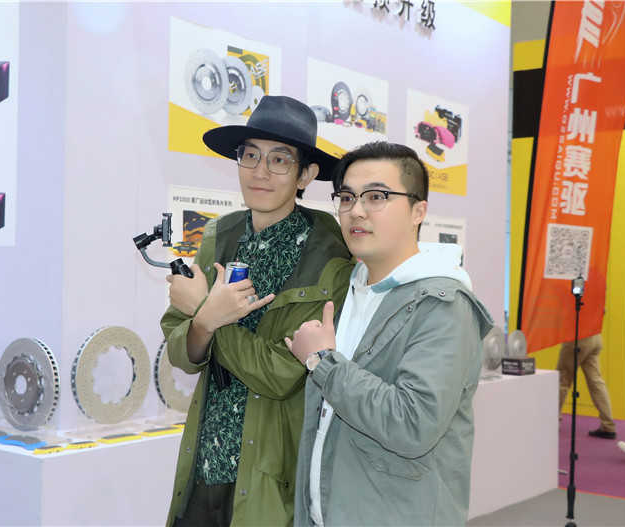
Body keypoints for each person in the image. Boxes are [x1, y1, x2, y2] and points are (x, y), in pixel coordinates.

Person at [160, 95, 354, 527]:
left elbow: (282, 373)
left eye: (279, 160)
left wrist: (207, 316)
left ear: (306, 174)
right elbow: (180, 351)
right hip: (204, 460)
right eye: (250, 155)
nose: (260, 172)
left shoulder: (331, 255)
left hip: (269, 474)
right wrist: (202, 323)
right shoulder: (219, 235)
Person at [285, 141, 493, 526]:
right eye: (346, 197)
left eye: (376, 196)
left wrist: (323, 362)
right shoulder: (350, 289)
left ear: (418, 211)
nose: (356, 210)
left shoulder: (443, 304)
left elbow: (413, 424)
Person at [556, 333, 617, 439]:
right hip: (595, 337)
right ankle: (608, 426)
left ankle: (553, 421)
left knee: (562, 381)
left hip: (576, 339)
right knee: (596, 382)